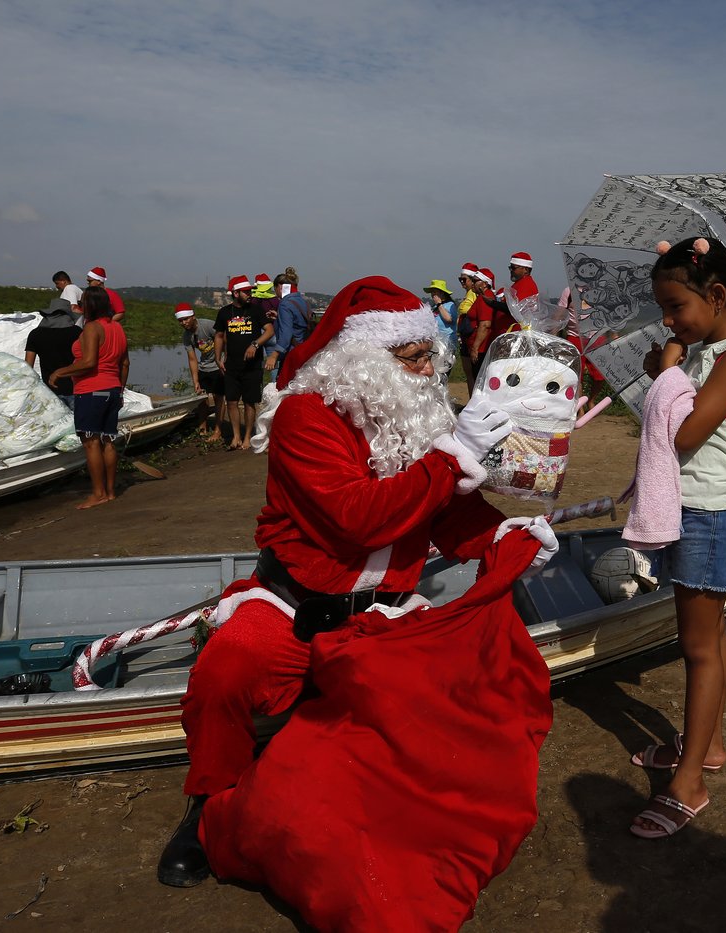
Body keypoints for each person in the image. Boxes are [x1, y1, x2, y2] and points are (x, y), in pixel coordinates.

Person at [156, 275, 556, 893]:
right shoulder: (303, 417)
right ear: (362, 360)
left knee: (452, 704)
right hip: (294, 604)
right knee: (225, 671)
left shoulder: (416, 415)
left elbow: (444, 510)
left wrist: (506, 539)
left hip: (387, 610)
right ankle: (208, 804)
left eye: (431, 355)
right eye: (412, 357)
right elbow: (355, 517)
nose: (428, 371)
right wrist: (451, 460)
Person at [627, 236, 726, 839]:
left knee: (698, 648)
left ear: (716, 296)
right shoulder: (704, 350)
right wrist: (667, 364)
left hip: (711, 513)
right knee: (709, 635)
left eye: (675, 307)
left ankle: (689, 781)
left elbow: (684, 434)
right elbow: (669, 405)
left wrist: (667, 374)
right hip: (698, 507)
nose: (667, 320)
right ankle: (706, 745)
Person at [48, 285, 130, 509]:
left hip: (91, 390)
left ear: (90, 306)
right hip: (112, 390)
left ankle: (97, 494)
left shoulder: (92, 328)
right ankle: (111, 492)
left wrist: (60, 371)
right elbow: (125, 363)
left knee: (91, 442)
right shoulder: (117, 328)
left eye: (83, 303)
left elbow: (89, 362)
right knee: (108, 440)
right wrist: (120, 390)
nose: (80, 306)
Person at [213, 275, 273, 450]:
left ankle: (247, 436)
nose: (250, 294)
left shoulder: (255, 310)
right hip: (231, 364)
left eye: (250, 291)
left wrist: (255, 344)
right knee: (231, 401)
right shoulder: (224, 312)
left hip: (252, 366)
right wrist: (218, 358)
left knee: (249, 401)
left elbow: (269, 330)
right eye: (246, 291)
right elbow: (219, 336)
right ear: (236, 293)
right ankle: (236, 436)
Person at [175, 303, 223, 443]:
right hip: (204, 366)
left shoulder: (207, 326)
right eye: (180, 321)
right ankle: (203, 428)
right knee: (201, 398)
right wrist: (195, 381)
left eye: (186, 319)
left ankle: (218, 430)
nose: (184, 323)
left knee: (219, 397)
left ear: (193, 316)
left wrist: (222, 361)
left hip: (217, 366)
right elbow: (192, 359)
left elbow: (223, 339)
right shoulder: (187, 336)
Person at [25, 298, 83, 408]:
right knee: (80, 424)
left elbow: (28, 366)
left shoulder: (35, 334)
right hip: (76, 389)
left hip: (49, 392)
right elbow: (86, 360)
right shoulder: (77, 333)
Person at [475, 251, 538, 339]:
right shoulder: (519, 283)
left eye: (513, 268)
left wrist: (492, 303)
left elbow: (515, 309)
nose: (511, 270)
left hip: (517, 335)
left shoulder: (526, 284)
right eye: (510, 268)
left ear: (526, 270)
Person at [262, 267, 311, 382]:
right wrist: (279, 318)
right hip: (303, 351)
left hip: (290, 354)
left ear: (280, 287)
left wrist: (274, 355)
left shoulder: (285, 304)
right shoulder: (303, 301)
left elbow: (286, 335)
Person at [423, 278, 459, 377]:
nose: (433, 295)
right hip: (436, 344)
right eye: (432, 292)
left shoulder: (449, 305)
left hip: (447, 344)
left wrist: (439, 304)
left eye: (435, 292)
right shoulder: (434, 307)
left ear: (442, 293)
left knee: (443, 372)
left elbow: (449, 319)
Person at [465, 267, 496, 379]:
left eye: (475, 281)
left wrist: (475, 348)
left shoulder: (485, 298)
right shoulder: (482, 298)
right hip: (480, 346)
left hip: (482, 348)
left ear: (485, 284)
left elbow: (485, 325)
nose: (472, 283)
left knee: (479, 380)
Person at [456, 262, 480, 387]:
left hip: (471, 337)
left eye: (464, 279)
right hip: (466, 336)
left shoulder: (474, 294)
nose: (462, 282)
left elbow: (466, 310)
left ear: (472, 280)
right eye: (460, 279)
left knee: (472, 373)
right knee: (470, 374)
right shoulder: (469, 294)